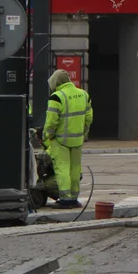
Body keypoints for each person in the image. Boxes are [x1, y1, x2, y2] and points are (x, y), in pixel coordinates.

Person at [43, 69, 93, 209]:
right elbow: (89, 118)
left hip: (60, 141)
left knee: (62, 169)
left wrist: (48, 136)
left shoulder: (56, 97)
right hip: (77, 140)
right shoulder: (84, 94)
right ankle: (74, 197)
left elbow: (51, 122)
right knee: (75, 169)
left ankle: (65, 199)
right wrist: (83, 132)